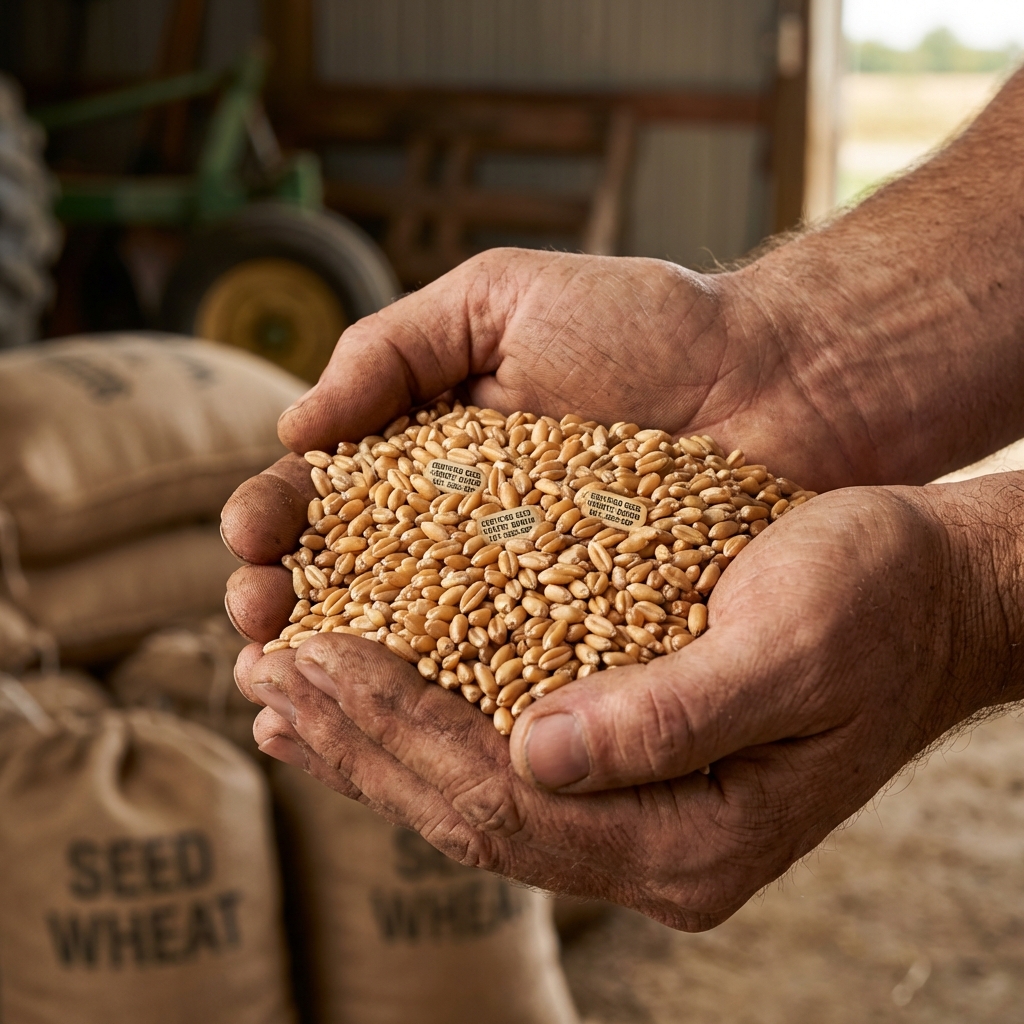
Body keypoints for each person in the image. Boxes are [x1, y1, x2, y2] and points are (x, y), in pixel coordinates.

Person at [221, 67, 1024, 931]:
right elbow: (528, 515)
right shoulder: (437, 487)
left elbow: (577, 523)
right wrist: (789, 349)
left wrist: (975, 593)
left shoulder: (612, 512)